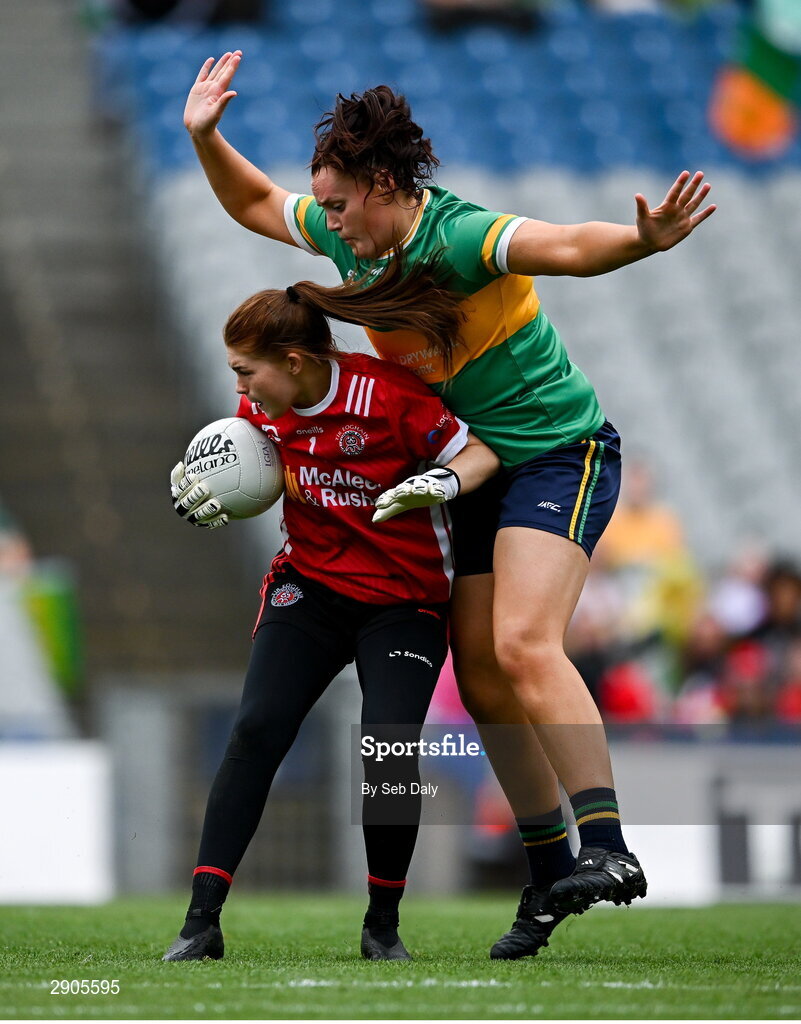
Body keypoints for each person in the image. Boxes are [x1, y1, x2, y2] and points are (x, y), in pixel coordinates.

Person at [182, 57, 717, 958]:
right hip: (470, 467)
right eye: (328, 210)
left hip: (556, 453)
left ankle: (610, 849)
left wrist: (642, 241)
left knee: (520, 644)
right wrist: (204, 136)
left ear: (384, 186)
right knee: (478, 673)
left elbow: (569, 246)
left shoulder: (462, 236)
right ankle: (550, 874)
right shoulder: (354, 236)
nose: (330, 224)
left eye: (343, 205)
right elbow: (252, 205)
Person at [162, 255, 501, 962]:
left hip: (404, 599)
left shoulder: (389, 397)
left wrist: (439, 482)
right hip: (310, 586)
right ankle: (200, 925)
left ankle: (382, 926)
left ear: (292, 360)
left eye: (245, 371)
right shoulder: (261, 409)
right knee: (255, 727)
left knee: (386, 744)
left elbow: (480, 456)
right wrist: (213, 495)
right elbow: (250, 474)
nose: (239, 388)